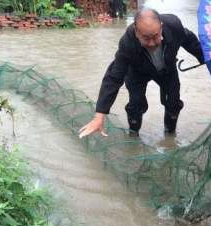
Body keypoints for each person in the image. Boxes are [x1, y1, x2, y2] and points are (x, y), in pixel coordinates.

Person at [79, 7, 204, 138]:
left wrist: (203, 57)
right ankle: (133, 136)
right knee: (136, 105)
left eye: (155, 36)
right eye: (145, 38)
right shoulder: (127, 42)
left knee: (173, 103)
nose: (151, 43)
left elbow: (188, 39)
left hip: (167, 70)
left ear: (161, 26)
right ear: (136, 31)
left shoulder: (173, 25)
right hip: (137, 72)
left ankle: (170, 136)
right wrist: (99, 115)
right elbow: (114, 77)